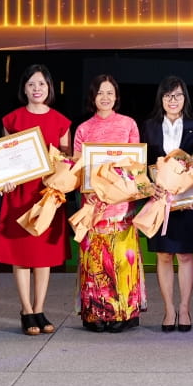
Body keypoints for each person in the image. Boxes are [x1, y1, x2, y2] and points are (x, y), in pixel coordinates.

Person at [0, 64, 71, 337]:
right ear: (24, 89)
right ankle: (26, 310)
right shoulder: (11, 120)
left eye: (42, 84)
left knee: (43, 256)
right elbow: (2, 157)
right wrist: (4, 179)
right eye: (31, 84)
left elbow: (66, 162)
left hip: (46, 195)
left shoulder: (61, 121)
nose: (37, 89)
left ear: (49, 88)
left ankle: (39, 308)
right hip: (19, 194)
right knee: (21, 255)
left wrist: (58, 181)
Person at [72, 74, 143, 332]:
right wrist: (86, 188)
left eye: (110, 93)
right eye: (100, 93)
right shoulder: (83, 129)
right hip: (93, 205)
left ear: (116, 97)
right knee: (95, 263)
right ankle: (95, 314)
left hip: (121, 205)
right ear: (93, 97)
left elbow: (135, 165)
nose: (105, 97)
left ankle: (123, 314)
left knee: (122, 261)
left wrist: (121, 187)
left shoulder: (128, 124)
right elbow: (77, 168)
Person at [143, 76, 193, 333]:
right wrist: (151, 187)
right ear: (161, 98)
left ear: (184, 98)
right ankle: (169, 309)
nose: (173, 100)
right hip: (159, 201)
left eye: (178, 95)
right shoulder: (149, 126)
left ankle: (185, 308)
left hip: (188, 202)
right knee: (163, 255)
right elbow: (142, 164)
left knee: (185, 254)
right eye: (168, 95)